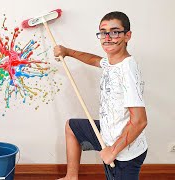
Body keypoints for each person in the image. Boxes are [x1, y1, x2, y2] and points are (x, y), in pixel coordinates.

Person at [53, 11, 148, 180]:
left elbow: (140, 121)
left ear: (127, 36)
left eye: (115, 31)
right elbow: (95, 60)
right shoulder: (112, 62)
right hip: (107, 133)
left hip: (125, 153)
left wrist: (113, 150)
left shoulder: (127, 71)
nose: (108, 37)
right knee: (72, 127)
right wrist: (67, 51)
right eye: (103, 32)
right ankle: (71, 177)